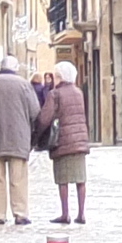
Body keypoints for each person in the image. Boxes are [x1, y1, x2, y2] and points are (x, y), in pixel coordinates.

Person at [0, 55, 42, 225]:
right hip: (19, 140)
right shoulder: (24, 85)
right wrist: (34, 138)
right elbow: (35, 112)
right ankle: (20, 213)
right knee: (18, 179)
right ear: (16, 68)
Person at [39, 58, 96, 224]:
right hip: (79, 140)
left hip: (62, 141)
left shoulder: (55, 94)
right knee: (80, 179)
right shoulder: (78, 92)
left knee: (63, 179)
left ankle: (65, 213)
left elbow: (45, 117)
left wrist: (38, 134)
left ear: (59, 77)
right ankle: (81, 213)